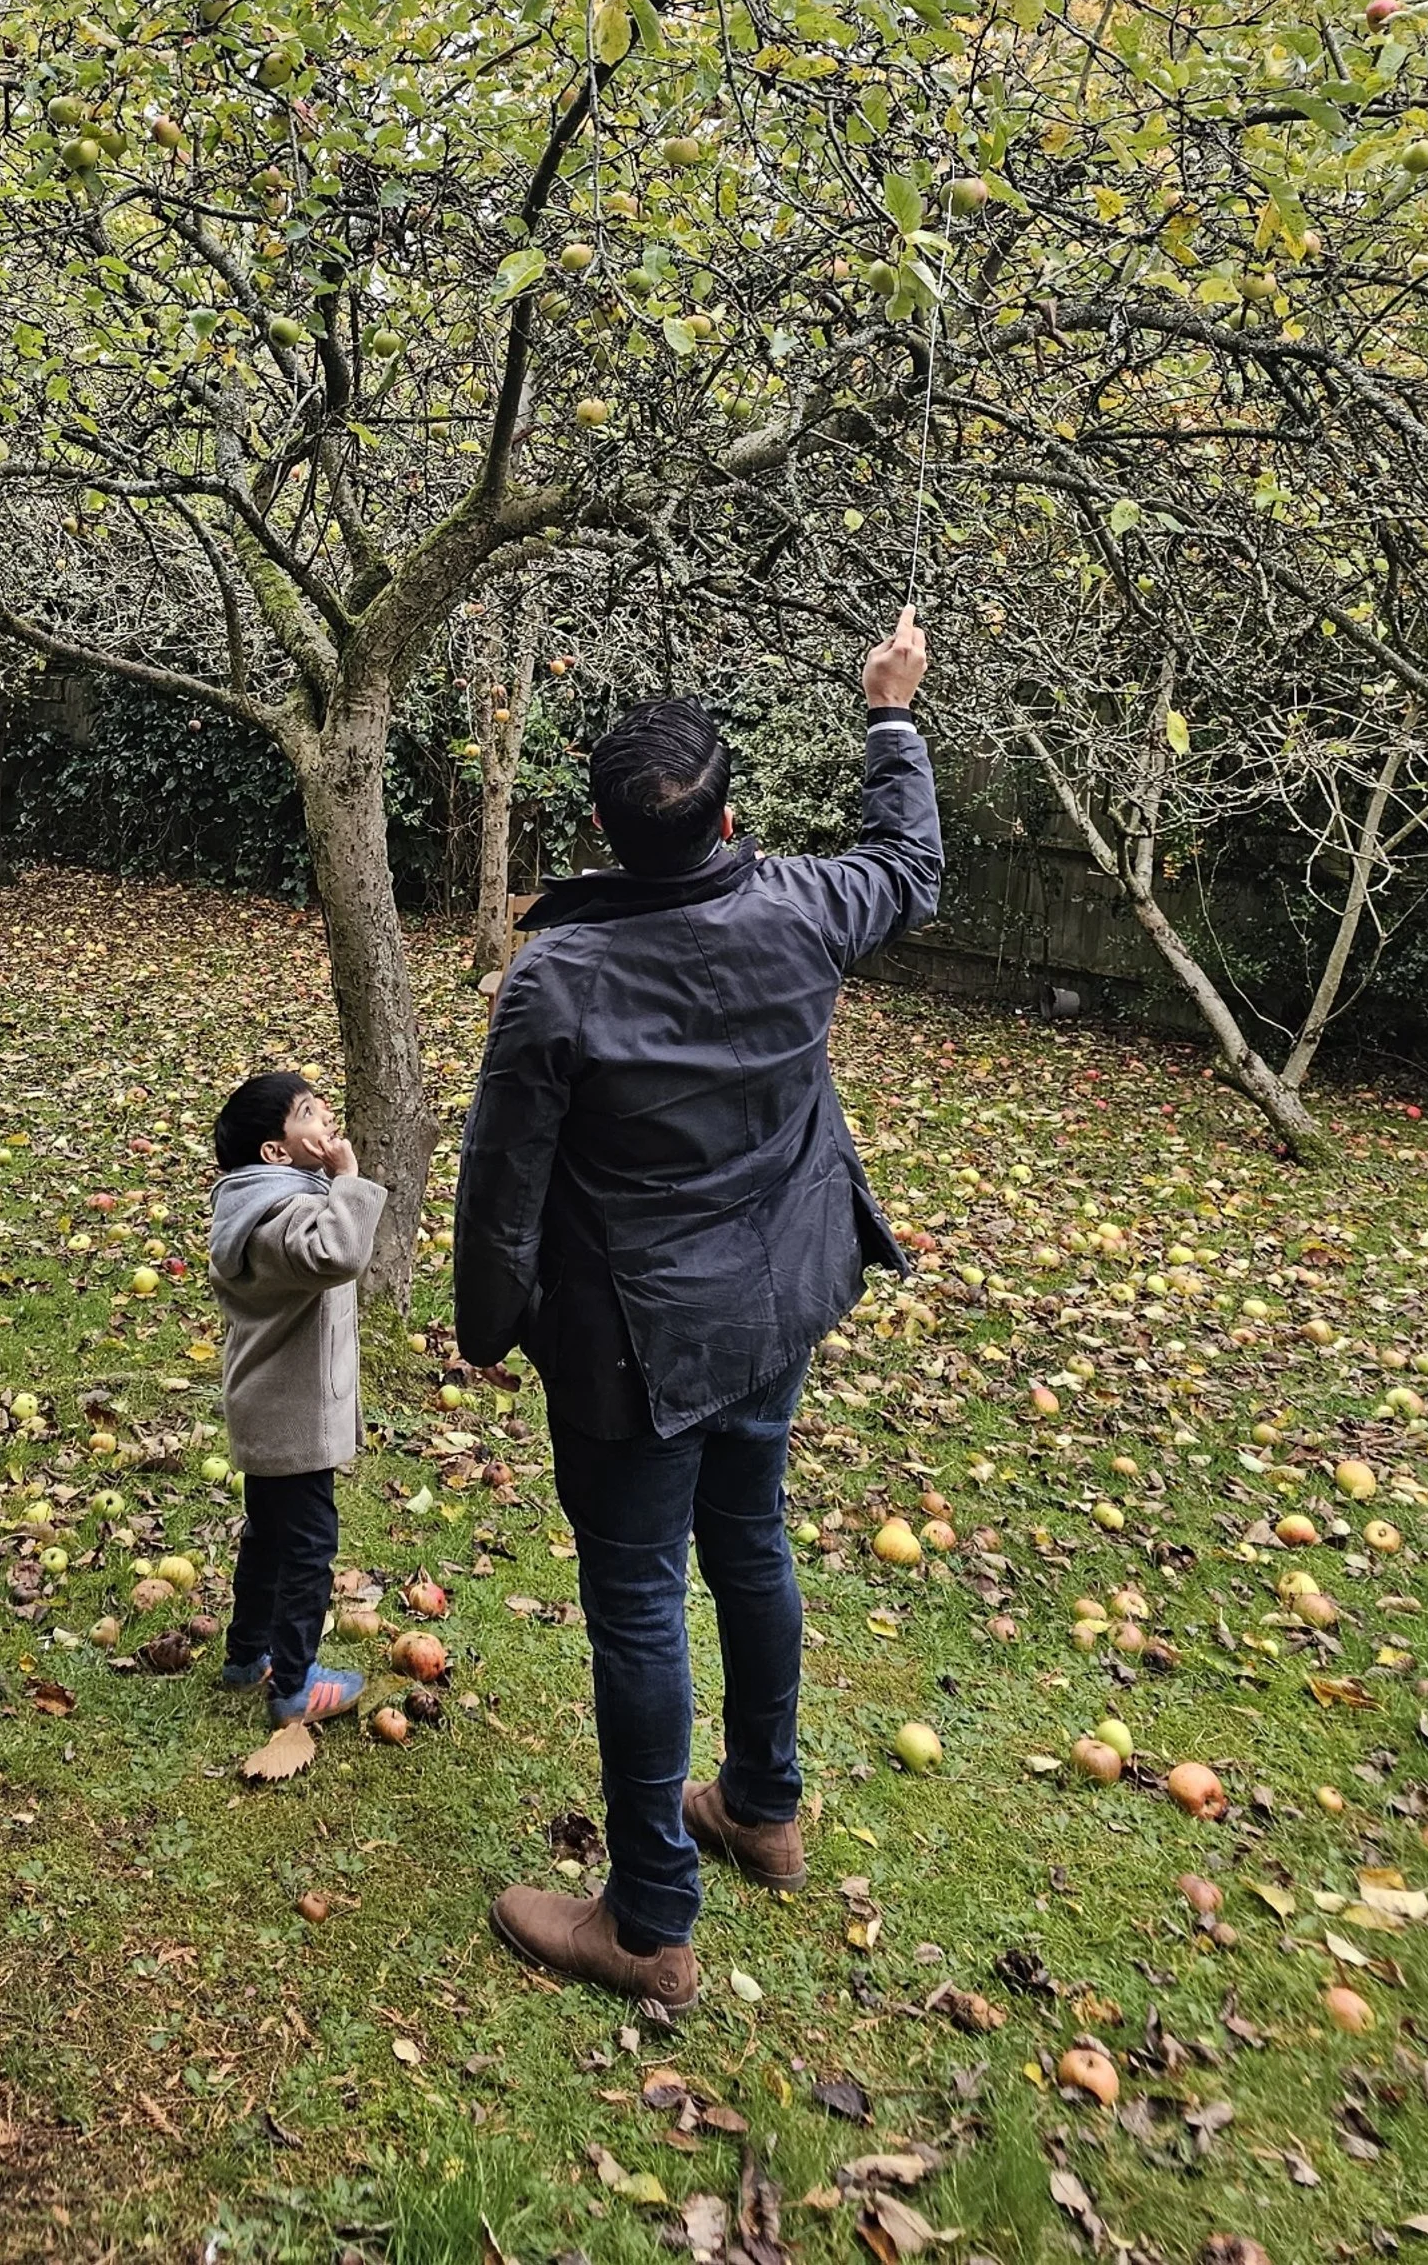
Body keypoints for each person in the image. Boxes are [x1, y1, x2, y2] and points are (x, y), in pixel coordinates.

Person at [452, 608, 941, 2011]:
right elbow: (909, 863)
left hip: (637, 1351)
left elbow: (504, 1188)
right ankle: (765, 1807)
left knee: (642, 1607)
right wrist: (890, 710)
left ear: (604, 830)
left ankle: (652, 1918)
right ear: (728, 816)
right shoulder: (797, 906)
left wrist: (494, 1325)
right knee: (749, 1539)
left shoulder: (559, 974)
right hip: (771, 1310)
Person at [207, 1068, 382, 1727]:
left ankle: (246, 1654)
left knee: (270, 1538)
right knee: (308, 1543)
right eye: (308, 1111)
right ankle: (295, 1686)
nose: (325, 1115)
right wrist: (349, 1179)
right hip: (292, 1414)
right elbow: (337, 1253)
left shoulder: (257, 1204)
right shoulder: (278, 1218)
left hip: (269, 1406)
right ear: (275, 1153)